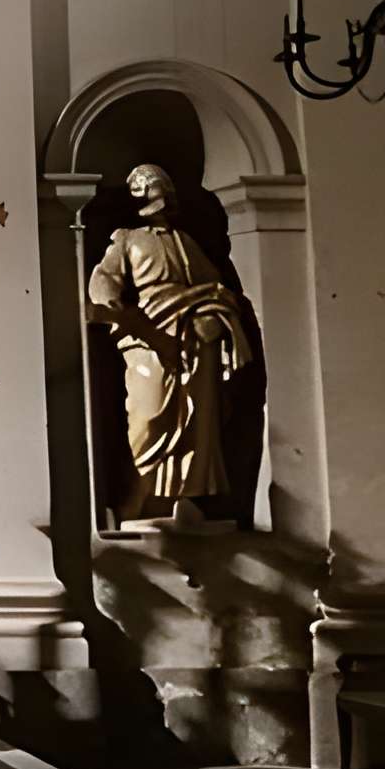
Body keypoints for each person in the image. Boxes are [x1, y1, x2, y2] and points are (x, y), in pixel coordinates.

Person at [85, 162, 261, 524]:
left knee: (199, 419)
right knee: (147, 415)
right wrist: (113, 306)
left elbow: (214, 285)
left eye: (164, 191)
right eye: (152, 191)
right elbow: (104, 280)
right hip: (149, 336)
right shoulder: (127, 239)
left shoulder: (187, 241)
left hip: (195, 338)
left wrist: (213, 312)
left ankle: (186, 498)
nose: (160, 199)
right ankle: (140, 497)